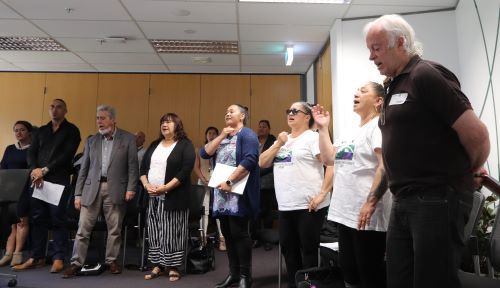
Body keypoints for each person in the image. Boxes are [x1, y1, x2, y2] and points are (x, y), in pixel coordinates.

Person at [364, 14, 490, 288]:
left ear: (400, 42)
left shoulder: (426, 74)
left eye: (376, 48)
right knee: (399, 279)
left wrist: (467, 171)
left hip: (436, 198)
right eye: (369, 49)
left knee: (433, 281)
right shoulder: (394, 84)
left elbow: (477, 135)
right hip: (404, 200)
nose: (372, 56)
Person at [312, 82, 391, 288]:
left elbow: (385, 166)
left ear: (378, 101)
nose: (356, 93)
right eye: (356, 90)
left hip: (367, 216)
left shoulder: (379, 127)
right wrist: (322, 128)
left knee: (369, 274)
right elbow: (329, 159)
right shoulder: (350, 131)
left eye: (363, 91)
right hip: (345, 213)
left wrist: (370, 203)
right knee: (349, 271)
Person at [259, 102, 333, 288]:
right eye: (288, 111)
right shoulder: (283, 140)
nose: (290, 114)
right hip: (285, 205)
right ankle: (294, 284)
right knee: (288, 250)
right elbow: (262, 162)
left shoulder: (312, 138)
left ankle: (309, 284)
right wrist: (278, 143)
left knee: (308, 251)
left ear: (307, 117)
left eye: (295, 111)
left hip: (309, 205)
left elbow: (331, 164)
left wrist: (322, 193)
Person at [62, 105, 139, 278]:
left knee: (114, 229)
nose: (99, 122)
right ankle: (76, 263)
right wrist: (78, 194)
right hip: (91, 189)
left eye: (102, 118)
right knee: (82, 229)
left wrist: (131, 188)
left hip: (117, 188)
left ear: (113, 120)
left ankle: (111, 261)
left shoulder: (127, 139)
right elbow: (84, 169)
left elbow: (133, 167)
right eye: (97, 118)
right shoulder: (91, 140)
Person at [13, 99, 81, 273]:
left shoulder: (72, 130)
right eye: (52, 107)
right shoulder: (42, 131)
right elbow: (31, 152)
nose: (55, 110)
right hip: (37, 181)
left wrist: (45, 170)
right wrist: (35, 170)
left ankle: (58, 257)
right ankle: (37, 257)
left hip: (58, 180)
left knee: (58, 219)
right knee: (37, 219)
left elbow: (66, 155)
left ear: (65, 110)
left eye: (59, 107)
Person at [200, 104, 259, 288]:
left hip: (237, 192)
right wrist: (222, 135)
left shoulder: (247, 134)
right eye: (225, 111)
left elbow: (250, 159)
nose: (227, 113)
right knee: (227, 233)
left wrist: (230, 181)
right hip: (221, 193)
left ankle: (245, 276)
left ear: (242, 116)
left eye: (231, 111)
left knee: (239, 233)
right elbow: (205, 153)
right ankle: (233, 274)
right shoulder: (225, 136)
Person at [139, 113, 195, 282]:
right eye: (163, 121)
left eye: (169, 122)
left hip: (174, 196)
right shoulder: (155, 144)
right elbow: (143, 168)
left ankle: (173, 266)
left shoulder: (185, 144)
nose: (165, 124)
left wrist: (165, 188)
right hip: (152, 197)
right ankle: (158, 264)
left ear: (178, 125)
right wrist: (146, 185)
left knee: (172, 232)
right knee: (155, 231)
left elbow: (185, 171)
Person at [0, 121, 33, 267]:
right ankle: (8, 253)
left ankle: (18, 253)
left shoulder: (33, 149)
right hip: (8, 190)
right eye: (16, 130)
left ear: (29, 132)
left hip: (25, 189)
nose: (18, 133)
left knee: (21, 221)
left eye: (22, 130)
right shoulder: (9, 149)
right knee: (10, 222)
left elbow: (33, 168)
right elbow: (2, 167)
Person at [193, 126, 225, 251]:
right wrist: (202, 178)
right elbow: (196, 167)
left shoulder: (221, 149)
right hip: (203, 181)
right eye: (209, 133)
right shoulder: (199, 150)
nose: (211, 135)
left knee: (219, 210)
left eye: (214, 133)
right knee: (204, 211)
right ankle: (203, 239)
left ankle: (222, 239)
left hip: (219, 183)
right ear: (206, 136)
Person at [253, 120, 277, 251]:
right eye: (260, 126)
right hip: (253, 181)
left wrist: (258, 172)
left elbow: (273, 162)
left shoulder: (274, 141)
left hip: (267, 180)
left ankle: (268, 239)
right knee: (255, 211)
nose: (261, 129)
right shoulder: (254, 141)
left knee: (267, 211)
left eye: (264, 127)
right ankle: (257, 238)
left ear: (269, 129)